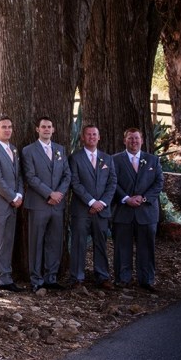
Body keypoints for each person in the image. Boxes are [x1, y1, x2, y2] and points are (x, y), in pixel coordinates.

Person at [21, 116, 71, 292]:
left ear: (53, 129)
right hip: (38, 203)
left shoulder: (60, 149)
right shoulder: (28, 151)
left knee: (54, 241)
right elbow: (30, 176)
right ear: (38, 129)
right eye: (43, 127)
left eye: (49, 127)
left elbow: (67, 175)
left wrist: (59, 194)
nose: (47, 129)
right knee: (36, 242)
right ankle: (36, 279)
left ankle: (51, 277)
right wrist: (49, 193)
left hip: (57, 204)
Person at [112, 127, 164, 291]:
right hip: (123, 211)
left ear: (142, 140)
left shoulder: (153, 160)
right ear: (124, 140)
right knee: (122, 247)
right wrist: (126, 198)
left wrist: (144, 198)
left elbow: (159, 182)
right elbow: (112, 182)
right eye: (130, 138)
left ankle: (146, 280)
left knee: (146, 247)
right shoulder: (115, 160)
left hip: (146, 211)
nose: (134, 141)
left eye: (136, 138)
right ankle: (123, 278)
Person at [68, 125, 117, 291]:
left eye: (94, 134)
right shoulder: (75, 158)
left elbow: (112, 183)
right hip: (81, 210)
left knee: (101, 243)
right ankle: (77, 278)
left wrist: (102, 203)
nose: (92, 137)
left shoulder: (107, 159)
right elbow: (75, 182)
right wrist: (91, 202)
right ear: (83, 137)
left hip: (102, 210)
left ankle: (102, 276)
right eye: (88, 134)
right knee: (78, 243)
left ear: (99, 137)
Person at [0, 116, 24, 294]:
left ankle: (6, 279)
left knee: (8, 242)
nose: (7, 130)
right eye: (4, 127)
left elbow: (19, 176)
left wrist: (20, 195)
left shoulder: (14, 149)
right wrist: (12, 197)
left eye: (10, 127)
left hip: (13, 204)